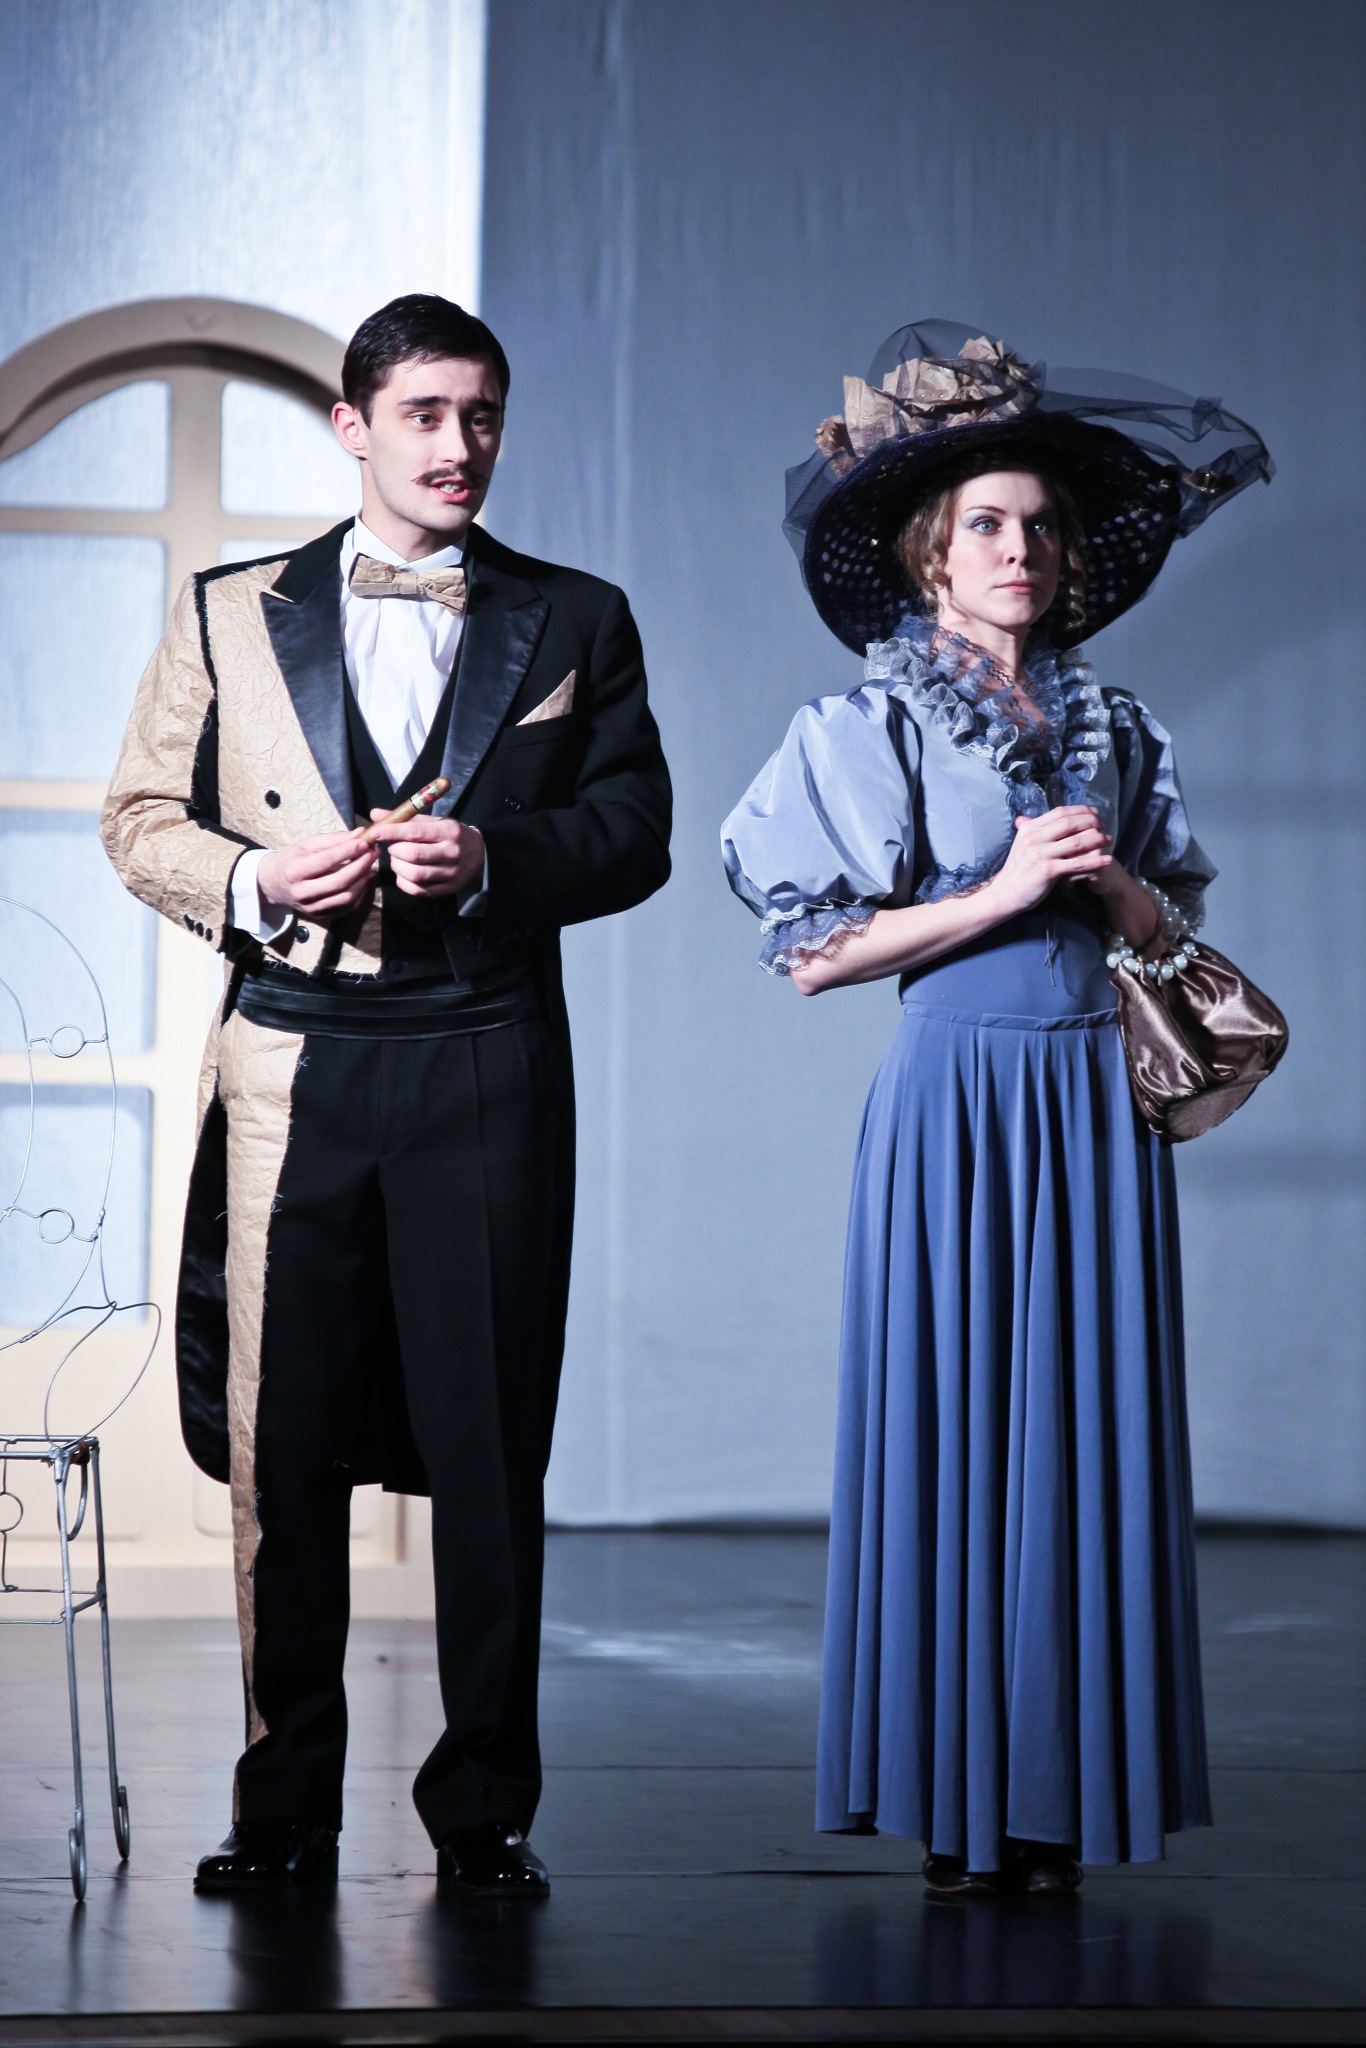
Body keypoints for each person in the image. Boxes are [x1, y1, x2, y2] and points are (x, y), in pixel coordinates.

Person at [101, 294, 672, 1894]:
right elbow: (139, 817)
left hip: (485, 1057)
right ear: (352, 426)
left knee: (488, 1449)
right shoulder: (229, 610)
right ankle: (282, 1808)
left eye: (481, 414)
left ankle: (483, 1816)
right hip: (294, 1056)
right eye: (424, 413)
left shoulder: (575, 615)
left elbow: (634, 830)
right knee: (281, 1453)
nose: (458, 444)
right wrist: (256, 878)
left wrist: (494, 856)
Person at [722, 322, 1270, 1895]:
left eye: (1036, 525)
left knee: (1082, 1441)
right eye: (983, 524)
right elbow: (814, 956)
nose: (1016, 548)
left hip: (1093, 1103)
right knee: (955, 1437)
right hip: (954, 1102)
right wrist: (1000, 888)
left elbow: (1168, 935)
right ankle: (957, 1802)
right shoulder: (866, 728)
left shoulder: (1120, 729)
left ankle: (1055, 1802)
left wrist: (1117, 893)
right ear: (929, 553)